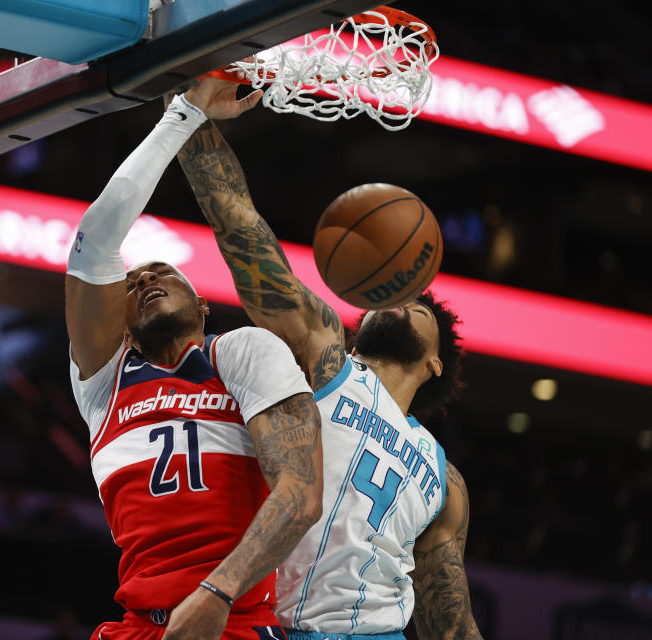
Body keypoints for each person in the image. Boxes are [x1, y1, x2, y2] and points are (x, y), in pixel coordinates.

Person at [174, 78, 482, 640]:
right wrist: (188, 113)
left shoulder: (445, 479)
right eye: (394, 296)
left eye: (419, 305)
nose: (403, 301)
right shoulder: (325, 357)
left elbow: (452, 623)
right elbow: (241, 225)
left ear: (437, 363)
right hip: (263, 625)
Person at [65, 77, 324, 640]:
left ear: (203, 305)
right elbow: (95, 239)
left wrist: (216, 593)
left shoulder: (242, 353)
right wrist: (183, 115)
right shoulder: (103, 382)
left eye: (162, 272)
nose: (146, 278)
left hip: (230, 617)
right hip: (138, 625)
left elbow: (300, 496)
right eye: (132, 282)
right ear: (121, 323)